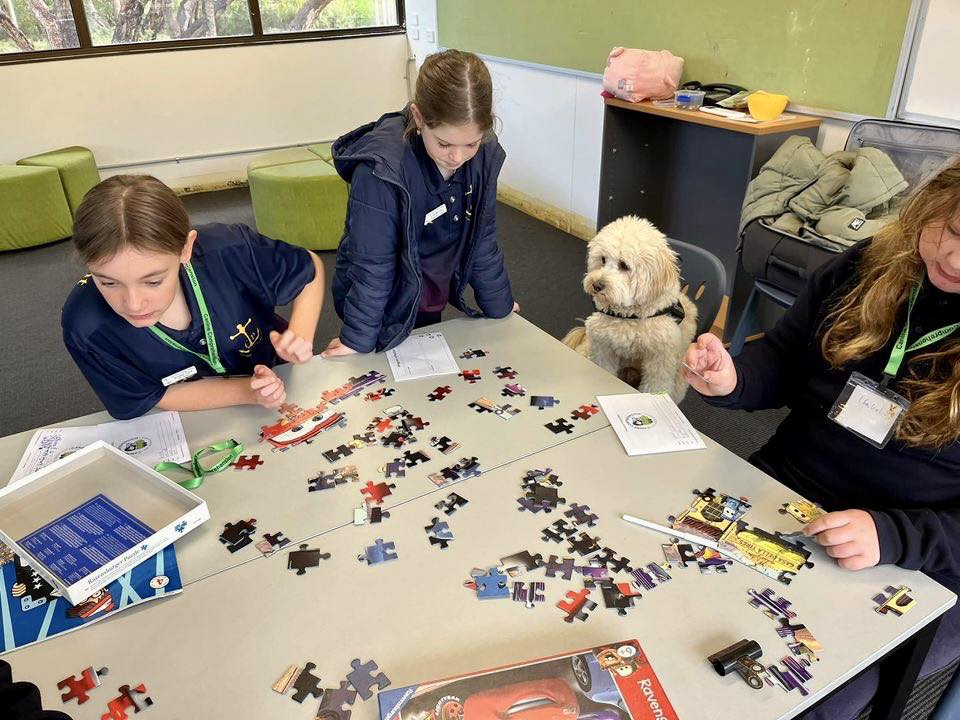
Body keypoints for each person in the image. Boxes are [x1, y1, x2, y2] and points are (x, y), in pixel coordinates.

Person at [683, 157, 960, 718]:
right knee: (669, 604)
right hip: (785, 491)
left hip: (915, 561)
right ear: (932, 206)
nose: (953, 259)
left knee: (787, 700)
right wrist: (733, 378)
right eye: (952, 230)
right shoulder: (870, 265)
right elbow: (785, 357)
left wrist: (893, 535)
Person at [62, 175, 324, 420]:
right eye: (108, 282)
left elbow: (308, 267)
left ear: (186, 248)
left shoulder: (230, 249)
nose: (133, 304)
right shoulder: (86, 326)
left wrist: (300, 333)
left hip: (285, 379)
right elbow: (151, 394)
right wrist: (246, 391)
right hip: (199, 416)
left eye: (153, 281)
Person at [321, 49, 516, 358]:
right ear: (418, 117)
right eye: (444, 143)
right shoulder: (380, 171)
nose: (458, 157)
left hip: (429, 283)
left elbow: (482, 238)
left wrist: (500, 304)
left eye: (471, 143)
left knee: (420, 358)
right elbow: (373, 264)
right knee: (378, 359)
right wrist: (356, 340)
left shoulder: (485, 155)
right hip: (379, 295)